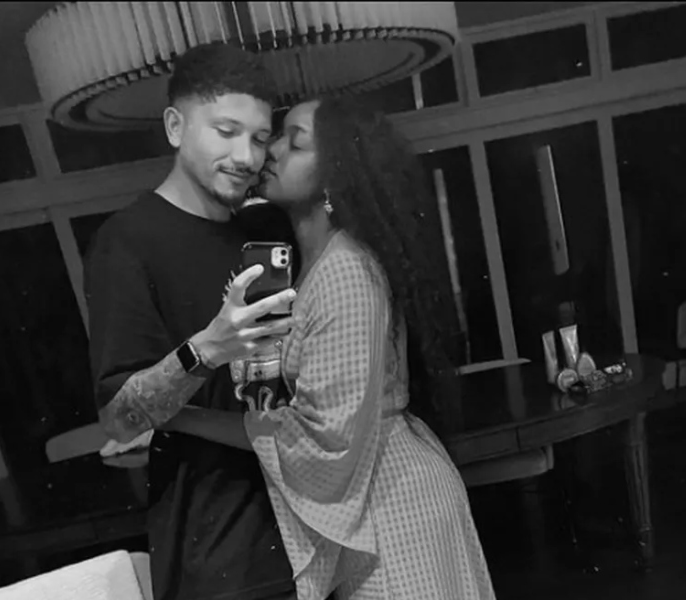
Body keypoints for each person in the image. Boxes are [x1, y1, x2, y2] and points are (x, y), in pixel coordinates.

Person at [162, 97, 497, 600]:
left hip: (391, 511)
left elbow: (323, 437)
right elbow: (292, 412)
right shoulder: (311, 266)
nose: (272, 150)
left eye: (294, 142)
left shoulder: (345, 272)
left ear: (336, 174)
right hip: (378, 497)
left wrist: (179, 417)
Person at [85, 42, 298, 600]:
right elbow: (119, 419)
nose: (246, 156)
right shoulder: (127, 242)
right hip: (221, 552)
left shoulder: (266, 229)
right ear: (176, 127)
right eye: (226, 131)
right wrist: (206, 349)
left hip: (306, 526)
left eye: (259, 138)